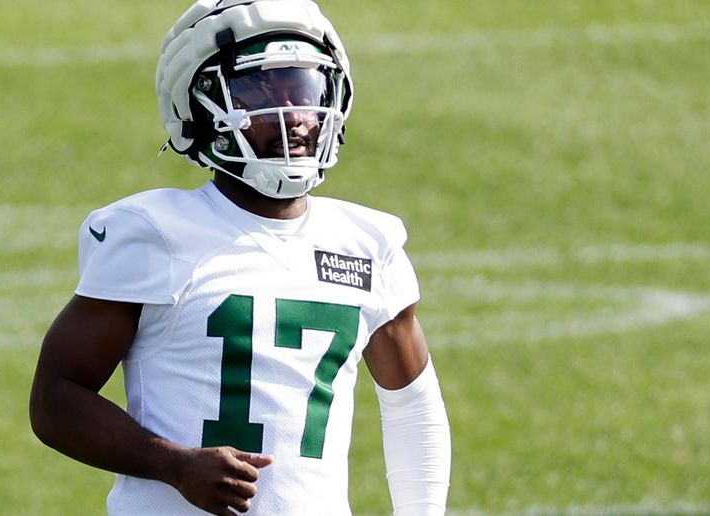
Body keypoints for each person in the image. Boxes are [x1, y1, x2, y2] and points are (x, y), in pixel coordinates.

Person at [28, 0, 451, 514]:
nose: (293, 114)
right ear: (201, 109)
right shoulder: (156, 233)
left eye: (304, 90)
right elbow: (56, 398)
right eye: (259, 92)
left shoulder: (367, 242)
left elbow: (412, 406)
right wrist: (175, 465)